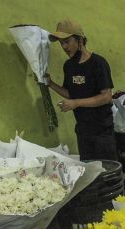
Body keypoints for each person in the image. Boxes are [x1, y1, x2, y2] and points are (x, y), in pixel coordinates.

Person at [46, 19, 117, 161]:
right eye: (61, 43)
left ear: (80, 40)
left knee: (107, 173)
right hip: (83, 132)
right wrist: (50, 84)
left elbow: (106, 97)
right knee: (89, 171)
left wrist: (75, 103)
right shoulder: (69, 66)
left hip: (102, 132)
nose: (64, 47)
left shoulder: (97, 63)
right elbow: (70, 93)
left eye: (67, 41)